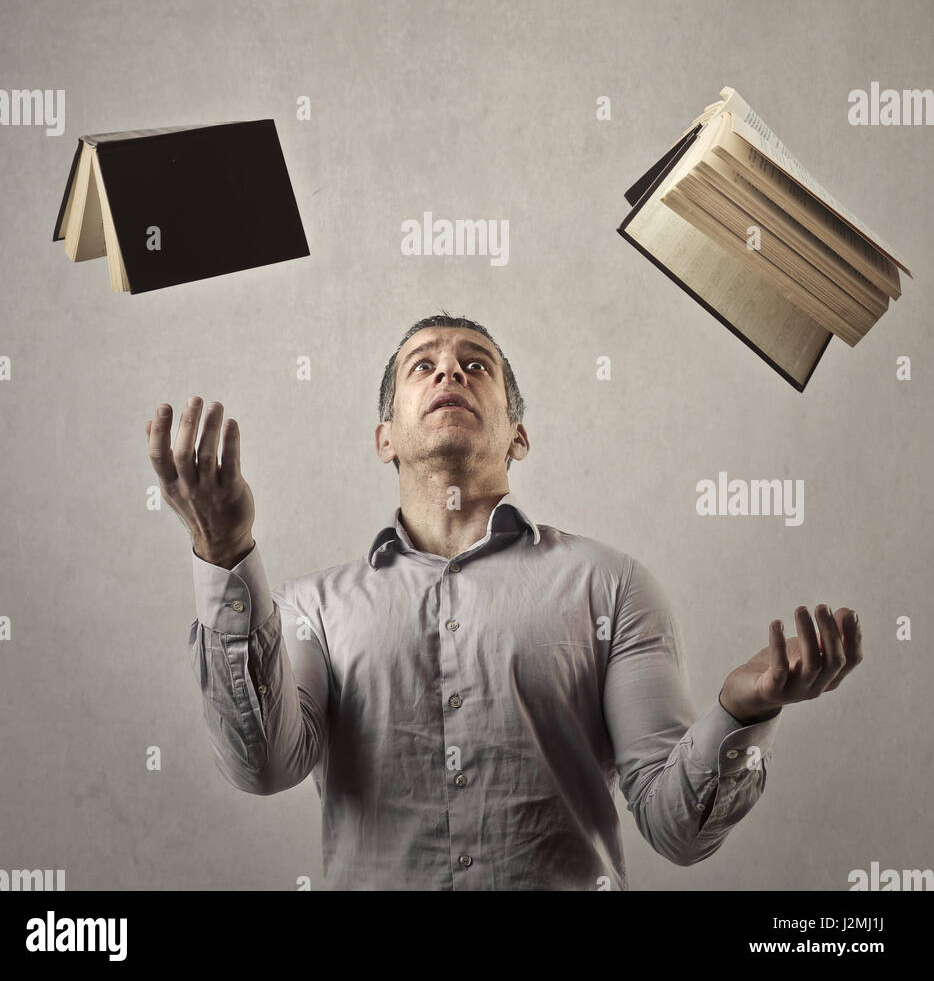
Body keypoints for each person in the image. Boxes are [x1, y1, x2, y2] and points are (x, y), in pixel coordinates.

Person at [146, 313, 862, 891]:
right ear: (384, 437)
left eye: (475, 364)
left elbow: (677, 830)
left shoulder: (610, 586)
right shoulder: (312, 609)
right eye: (421, 364)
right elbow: (263, 768)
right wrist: (226, 551)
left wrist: (743, 709)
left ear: (518, 436)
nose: (449, 371)